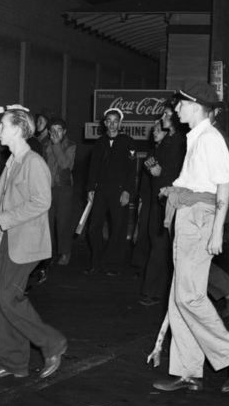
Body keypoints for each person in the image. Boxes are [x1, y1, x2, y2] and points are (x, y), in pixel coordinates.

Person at [152, 82, 229, 394]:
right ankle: (188, 371)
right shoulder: (195, 137)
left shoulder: (210, 139)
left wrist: (217, 231)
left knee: (189, 296)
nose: (176, 109)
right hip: (187, 217)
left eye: (181, 104)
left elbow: (224, 185)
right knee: (179, 297)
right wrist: (176, 190)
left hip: (199, 221)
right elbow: (202, 183)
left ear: (197, 107)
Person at [0, 108, 67, 379]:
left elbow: (42, 202)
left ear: (18, 129)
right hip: (8, 239)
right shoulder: (13, 161)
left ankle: (53, 343)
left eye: (3, 126)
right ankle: (13, 361)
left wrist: (5, 218)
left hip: (27, 243)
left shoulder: (33, 162)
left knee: (9, 298)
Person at [139, 104, 185, 306]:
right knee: (158, 245)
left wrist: (160, 173)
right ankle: (157, 290)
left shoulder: (182, 142)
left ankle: (154, 292)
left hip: (171, 200)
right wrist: (153, 169)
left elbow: (181, 174)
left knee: (161, 246)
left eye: (167, 114)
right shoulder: (167, 141)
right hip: (158, 199)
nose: (163, 117)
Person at [85, 107, 135, 274]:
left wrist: (127, 191)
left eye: (116, 121)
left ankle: (113, 264)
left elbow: (131, 170)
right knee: (94, 227)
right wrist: (91, 188)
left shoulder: (127, 141)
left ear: (120, 123)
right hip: (101, 191)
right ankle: (96, 262)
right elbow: (92, 168)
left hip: (119, 191)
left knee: (118, 228)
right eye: (109, 121)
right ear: (105, 123)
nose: (112, 125)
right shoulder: (99, 143)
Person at [44, 117, 77, 266]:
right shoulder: (44, 145)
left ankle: (65, 253)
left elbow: (65, 165)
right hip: (46, 189)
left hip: (64, 189)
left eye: (59, 130)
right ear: (49, 131)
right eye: (53, 130)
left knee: (63, 222)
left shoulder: (71, 145)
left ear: (64, 132)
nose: (56, 133)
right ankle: (47, 254)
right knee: (47, 222)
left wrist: (56, 145)